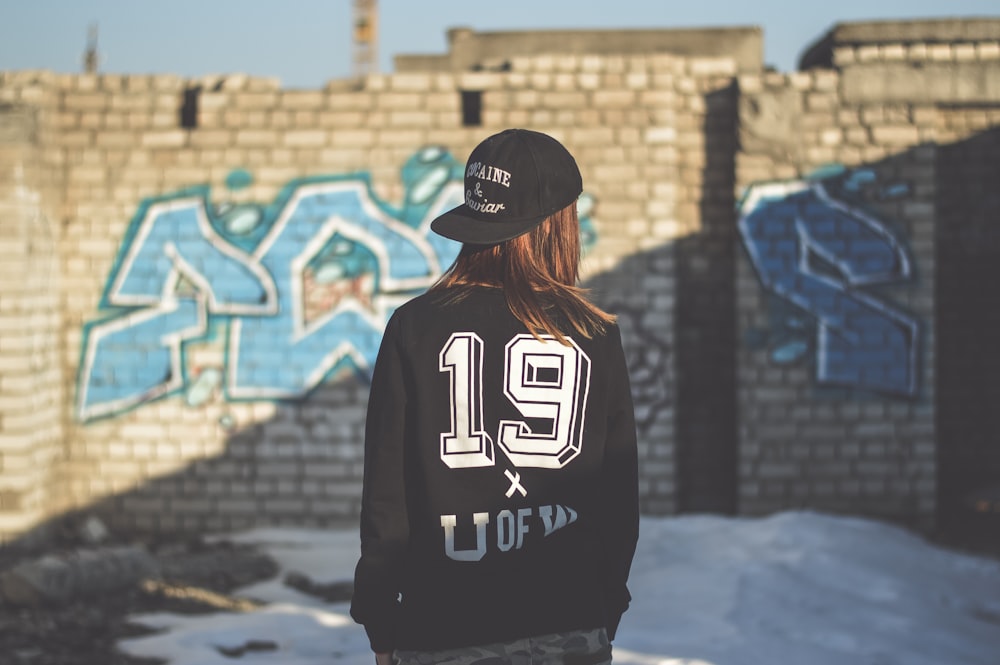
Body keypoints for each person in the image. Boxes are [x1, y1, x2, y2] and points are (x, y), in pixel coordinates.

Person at [350, 128, 639, 665]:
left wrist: (380, 622)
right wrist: (603, 608)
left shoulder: (414, 327)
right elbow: (617, 497)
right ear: (558, 224)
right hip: (570, 624)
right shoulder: (594, 333)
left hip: (442, 627)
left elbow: (387, 499)